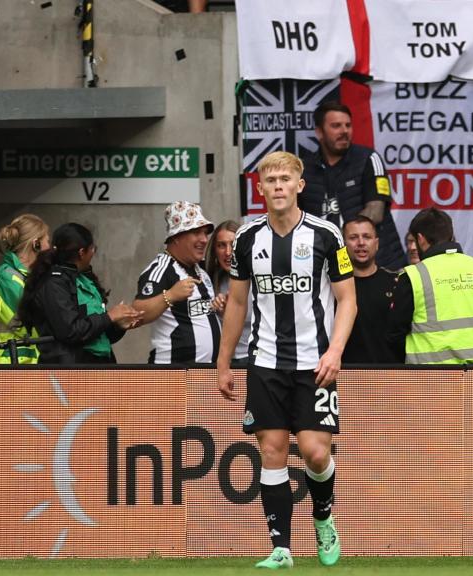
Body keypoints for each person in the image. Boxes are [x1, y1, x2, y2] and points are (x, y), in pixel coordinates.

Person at [217, 151, 356, 570]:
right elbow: (238, 302)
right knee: (272, 449)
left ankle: (324, 516)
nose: (277, 186)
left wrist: (335, 352)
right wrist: (224, 362)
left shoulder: (327, 235)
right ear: (259, 188)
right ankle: (281, 548)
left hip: (316, 362)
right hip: (265, 361)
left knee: (315, 453)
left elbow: (348, 300)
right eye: (270, 180)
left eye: (285, 179)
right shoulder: (246, 238)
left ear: (300, 185)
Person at [385, 207, 473, 365]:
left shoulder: (413, 275)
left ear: (420, 239)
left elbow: (394, 335)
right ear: (451, 235)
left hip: (429, 378)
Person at [300, 101, 406, 270]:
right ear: (319, 132)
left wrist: (341, 240)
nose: (344, 131)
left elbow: (376, 212)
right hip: (325, 266)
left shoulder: (369, 159)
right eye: (336, 126)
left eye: (348, 125)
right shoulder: (304, 169)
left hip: (377, 265)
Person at [19, 223, 142, 364]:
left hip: (100, 366)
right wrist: (109, 316)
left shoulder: (84, 278)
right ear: (82, 252)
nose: (93, 252)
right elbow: (70, 331)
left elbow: (97, 334)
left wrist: (119, 324)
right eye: (92, 248)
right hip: (70, 372)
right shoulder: (53, 283)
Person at [133, 201, 221, 364]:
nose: (204, 240)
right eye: (196, 232)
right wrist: (170, 296)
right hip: (173, 374)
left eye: (205, 233)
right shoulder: (161, 269)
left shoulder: (200, 271)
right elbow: (137, 314)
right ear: (176, 237)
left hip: (204, 376)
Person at [0, 214, 50, 364]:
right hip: (12, 360)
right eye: (47, 241)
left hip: (29, 358)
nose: (50, 247)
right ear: (36, 244)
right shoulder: (7, 278)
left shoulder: (28, 276)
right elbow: (33, 325)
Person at [342, 216, 398, 364]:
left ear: (377, 243)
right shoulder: (332, 287)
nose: (361, 243)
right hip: (345, 374)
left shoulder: (396, 283)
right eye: (353, 237)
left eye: (367, 237)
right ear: (343, 245)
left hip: (390, 375)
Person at [205, 220, 252, 363]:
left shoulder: (256, 280)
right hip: (220, 360)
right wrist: (212, 309)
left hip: (252, 359)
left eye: (233, 244)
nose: (228, 252)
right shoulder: (208, 281)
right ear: (214, 250)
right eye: (221, 245)